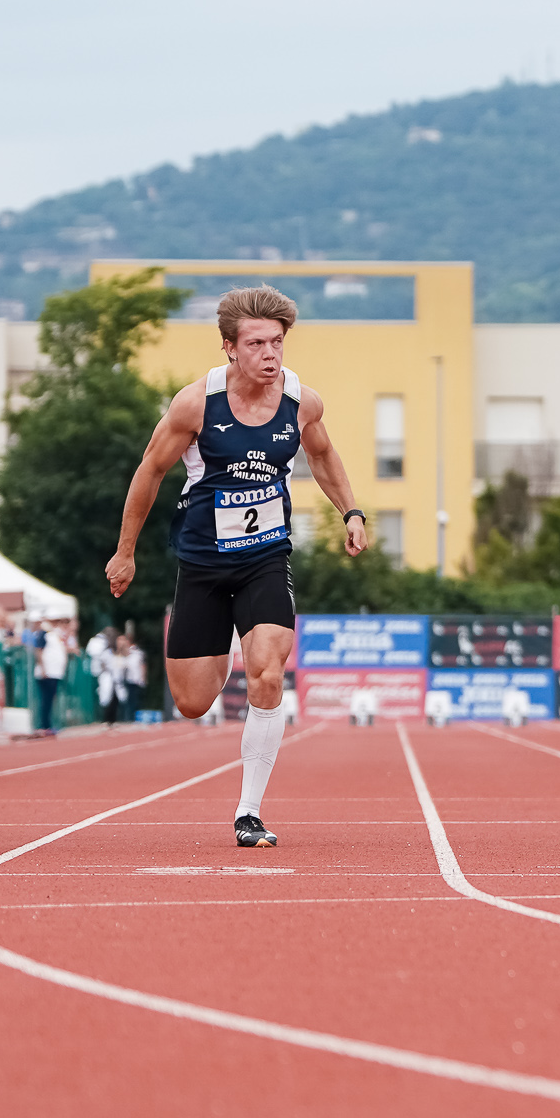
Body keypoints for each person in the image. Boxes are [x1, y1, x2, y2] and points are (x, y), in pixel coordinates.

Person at [105, 286, 366, 849]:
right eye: (256, 344)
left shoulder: (301, 401)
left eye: (277, 342)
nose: (270, 355)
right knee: (192, 702)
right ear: (229, 347)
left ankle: (249, 812)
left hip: (266, 558)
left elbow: (321, 454)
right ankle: (224, 638)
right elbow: (150, 471)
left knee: (267, 672)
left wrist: (351, 511)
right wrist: (126, 552)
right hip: (202, 563)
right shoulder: (195, 404)